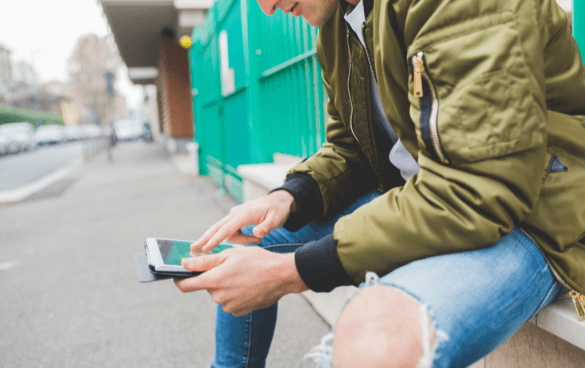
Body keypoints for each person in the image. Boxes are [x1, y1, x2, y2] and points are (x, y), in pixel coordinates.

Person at [174, 0, 585, 366]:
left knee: (374, 336)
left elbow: (476, 189)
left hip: (532, 218)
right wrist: (289, 197)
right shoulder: (338, 26)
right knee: (250, 237)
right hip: (426, 198)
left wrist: (292, 271)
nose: (267, 8)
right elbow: (352, 148)